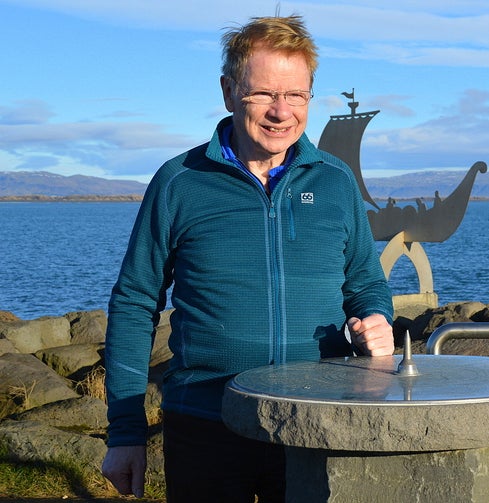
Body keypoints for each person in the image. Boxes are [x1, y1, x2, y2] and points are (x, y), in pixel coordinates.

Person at [101, 14, 394, 502]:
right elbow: (134, 302)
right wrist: (126, 433)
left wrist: (377, 318)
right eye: (263, 94)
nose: (282, 112)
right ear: (228, 91)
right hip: (205, 423)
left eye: (296, 95)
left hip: (318, 420)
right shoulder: (179, 182)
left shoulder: (335, 181)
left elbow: (365, 283)